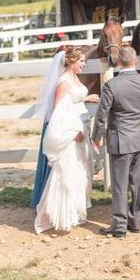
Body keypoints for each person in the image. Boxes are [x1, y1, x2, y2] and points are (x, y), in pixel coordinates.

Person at [91, 46, 140, 237]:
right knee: (137, 184)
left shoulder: (111, 86)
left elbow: (101, 115)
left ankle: (119, 226)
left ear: (118, 62)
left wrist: (96, 138)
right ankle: (135, 222)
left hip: (120, 141)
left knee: (120, 185)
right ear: (135, 62)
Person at [32, 48, 99, 233]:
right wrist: (72, 132)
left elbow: (72, 100)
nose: (84, 65)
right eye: (81, 61)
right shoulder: (62, 82)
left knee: (80, 171)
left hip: (81, 128)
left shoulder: (75, 79)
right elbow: (59, 111)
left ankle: (75, 212)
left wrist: (85, 98)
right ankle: (60, 215)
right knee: (67, 173)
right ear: (71, 62)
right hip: (71, 132)